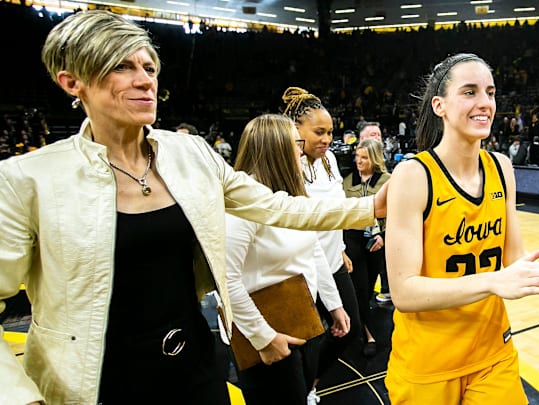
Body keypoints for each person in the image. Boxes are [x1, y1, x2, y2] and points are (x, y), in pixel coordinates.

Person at [0, 11, 385, 405]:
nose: (144, 79)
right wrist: (19, 397)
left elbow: (277, 207)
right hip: (97, 383)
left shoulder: (191, 154)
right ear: (72, 82)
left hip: (196, 366)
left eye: (149, 67)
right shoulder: (27, 180)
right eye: (121, 66)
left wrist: (373, 206)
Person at [384, 53, 539, 404]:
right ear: (439, 105)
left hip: (492, 354)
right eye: (469, 92)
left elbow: (514, 259)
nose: (484, 103)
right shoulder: (414, 175)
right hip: (427, 364)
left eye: (490, 92)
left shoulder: (501, 167)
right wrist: (492, 281)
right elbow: (405, 293)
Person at [225, 114, 350, 404]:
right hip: (266, 330)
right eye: (296, 143)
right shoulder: (241, 204)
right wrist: (264, 337)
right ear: (278, 148)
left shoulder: (291, 197)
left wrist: (334, 304)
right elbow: (227, 280)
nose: (301, 149)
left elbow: (314, 249)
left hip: (301, 319)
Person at [281, 86, 364, 403]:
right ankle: (303, 391)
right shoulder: (288, 165)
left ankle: (311, 384)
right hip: (304, 270)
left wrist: (341, 247)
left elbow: (336, 208)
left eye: (330, 131)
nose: (327, 138)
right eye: (319, 132)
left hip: (331, 260)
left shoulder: (329, 159)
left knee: (350, 329)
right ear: (296, 130)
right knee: (309, 340)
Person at [342, 138, 392, 358]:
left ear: (375, 159)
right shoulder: (346, 180)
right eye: (357, 157)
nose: (359, 161)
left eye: (364, 157)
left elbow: (393, 212)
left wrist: (382, 235)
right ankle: (368, 335)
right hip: (352, 238)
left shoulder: (387, 180)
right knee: (360, 289)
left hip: (376, 241)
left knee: (370, 285)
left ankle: (358, 325)